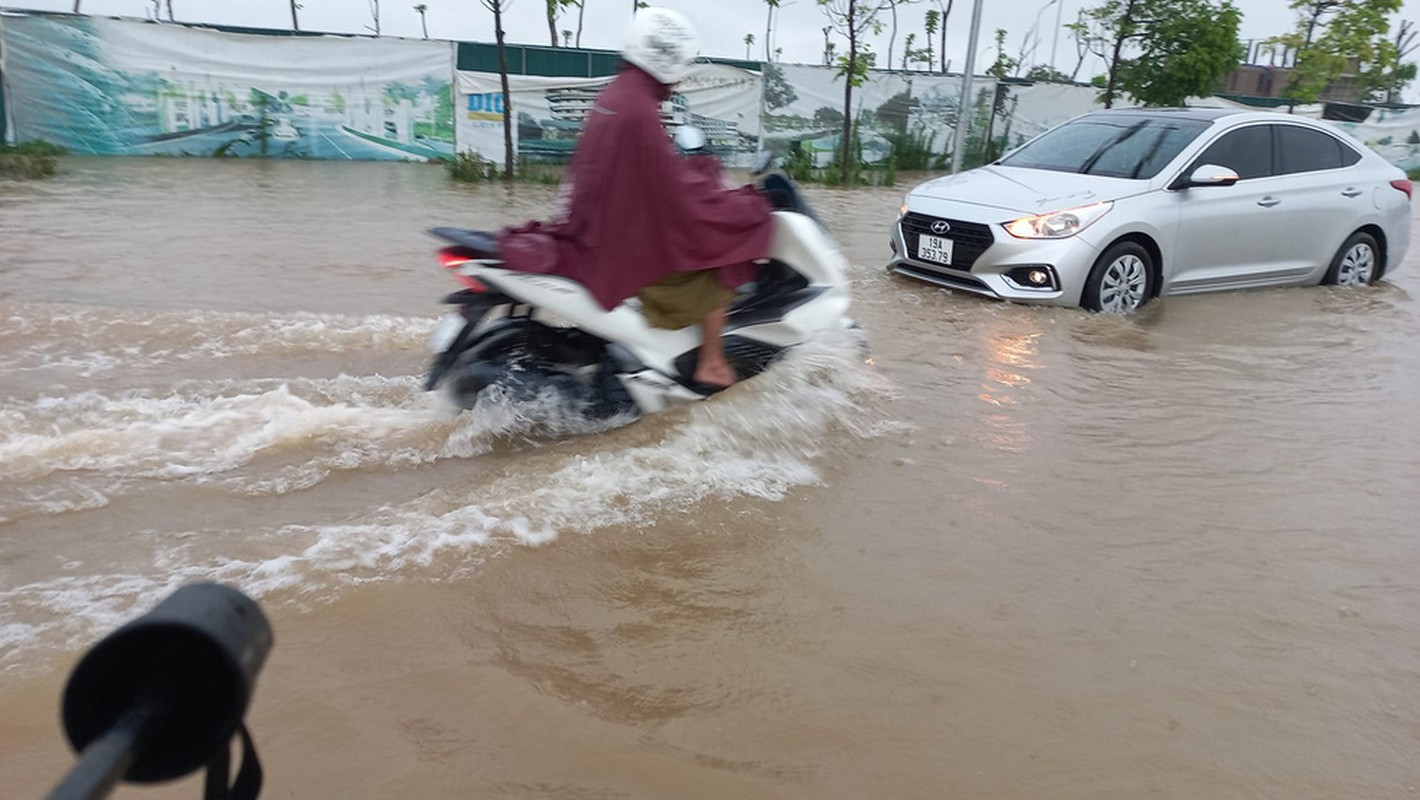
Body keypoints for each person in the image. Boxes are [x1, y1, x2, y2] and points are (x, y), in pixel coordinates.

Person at [496, 7, 775, 391]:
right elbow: (670, 197)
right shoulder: (638, 109)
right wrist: (727, 199)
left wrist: (697, 178)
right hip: (621, 243)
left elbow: (647, 178)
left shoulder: (618, 95)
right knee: (722, 256)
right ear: (671, 60)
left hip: (596, 226)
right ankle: (711, 362)